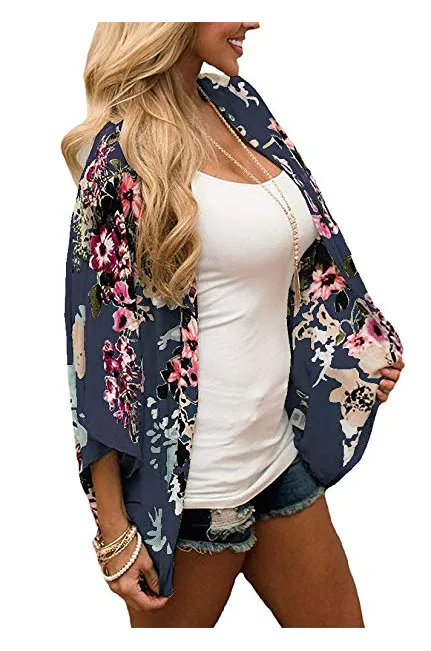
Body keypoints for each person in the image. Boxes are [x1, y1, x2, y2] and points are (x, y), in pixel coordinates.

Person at [62, 20, 405, 629]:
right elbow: (95, 361)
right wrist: (113, 531)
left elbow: (305, 263)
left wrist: (354, 355)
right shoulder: (119, 154)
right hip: (192, 495)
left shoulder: (238, 104)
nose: (251, 18)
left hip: (279, 461)